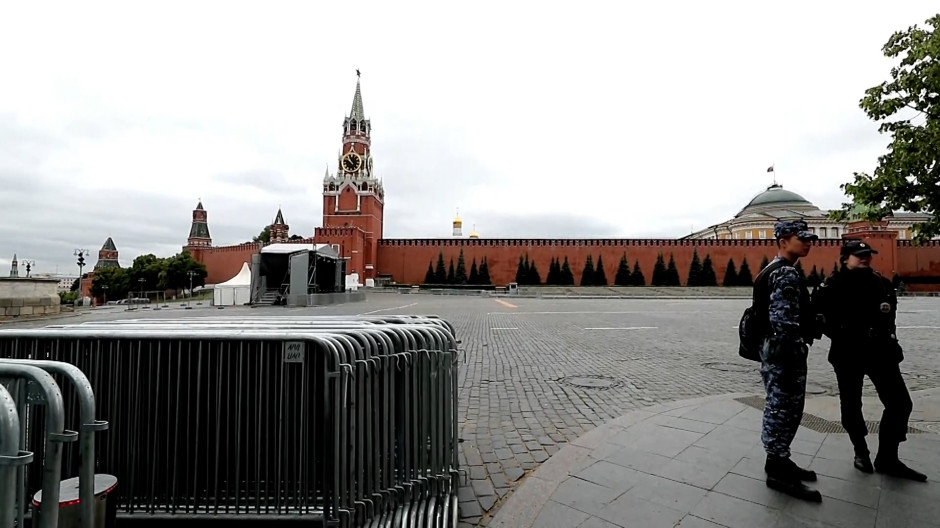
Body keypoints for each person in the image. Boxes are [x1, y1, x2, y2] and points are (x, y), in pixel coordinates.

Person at [813, 240, 927, 481]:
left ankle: (888, 457)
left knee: (900, 403)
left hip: (881, 352)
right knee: (852, 405)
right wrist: (846, 334)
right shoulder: (832, 286)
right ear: (845, 258)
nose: (864, 258)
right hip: (848, 353)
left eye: (867, 255)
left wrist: (890, 341)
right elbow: (820, 319)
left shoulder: (882, 284)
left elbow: (889, 317)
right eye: (858, 255)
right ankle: (860, 451)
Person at [758, 220, 822, 502]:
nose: (808, 243)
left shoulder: (771, 269)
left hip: (775, 352)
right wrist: (795, 348)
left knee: (781, 406)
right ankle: (777, 467)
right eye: (802, 238)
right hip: (785, 354)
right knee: (784, 409)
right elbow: (783, 321)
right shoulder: (785, 274)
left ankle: (779, 459)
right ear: (783, 241)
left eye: (810, 238)